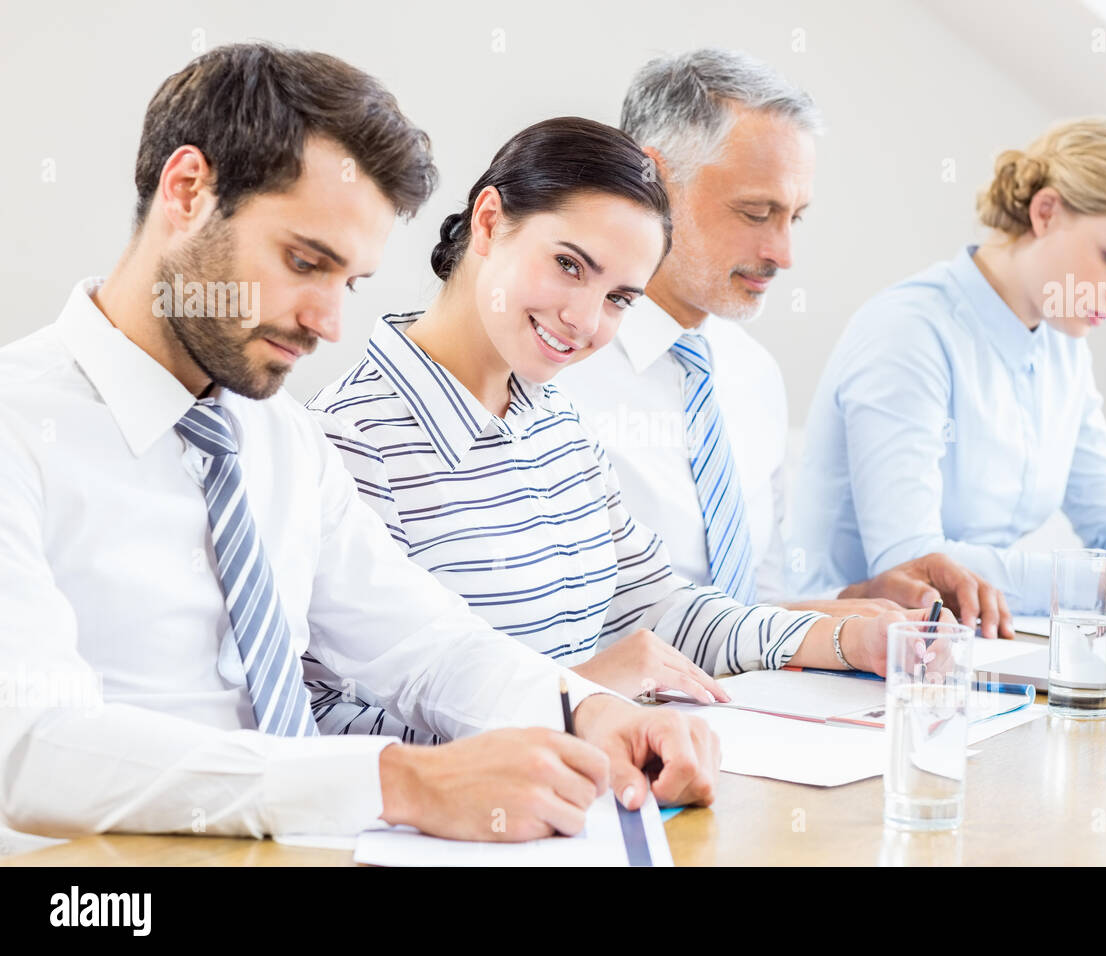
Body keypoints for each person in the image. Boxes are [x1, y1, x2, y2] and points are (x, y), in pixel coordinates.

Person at [0, 43, 718, 844]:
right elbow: (30, 750)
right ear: (187, 191)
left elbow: (424, 643)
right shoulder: (18, 429)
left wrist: (586, 710)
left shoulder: (278, 440)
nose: (328, 323)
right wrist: (394, 781)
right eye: (305, 261)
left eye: (351, 283)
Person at [304, 117, 943, 741]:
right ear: (490, 222)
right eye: (569, 265)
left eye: (619, 299)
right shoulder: (348, 441)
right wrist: (579, 696)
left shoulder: (558, 422)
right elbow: (322, 723)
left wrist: (843, 639)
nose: (584, 320)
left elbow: (659, 611)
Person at [556, 49, 1013, 639]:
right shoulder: (557, 366)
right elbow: (554, 637)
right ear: (655, 181)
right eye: (756, 212)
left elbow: (756, 605)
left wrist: (854, 603)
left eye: (794, 217)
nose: (783, 254)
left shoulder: (752, 374)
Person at [793, 116, 1106, 616]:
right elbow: (912, 564)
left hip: (976, 641)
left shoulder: (1060, 344)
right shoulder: (909, 332)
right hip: (847, 652)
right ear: (1046, 212)